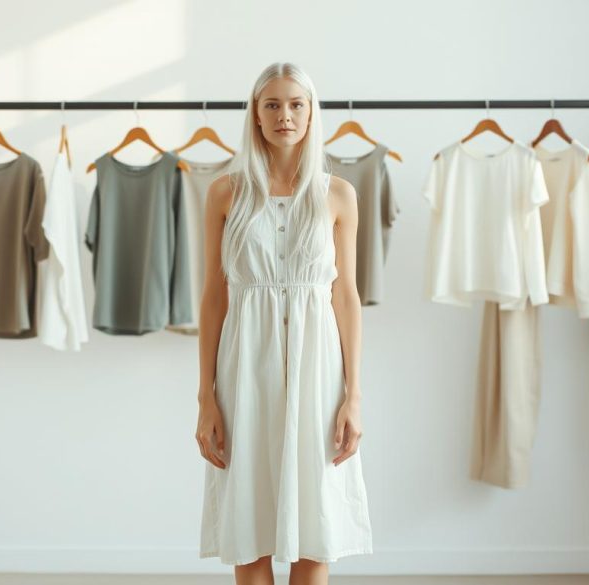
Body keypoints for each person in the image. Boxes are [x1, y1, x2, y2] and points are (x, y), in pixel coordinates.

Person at [196, 62, 373, 585]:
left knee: (314, 527)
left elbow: (346, 295)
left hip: (319, 373)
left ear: (312, 112)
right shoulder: (225, 194)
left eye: (296, 104)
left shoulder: (337, 194)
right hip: (244, 369)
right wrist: (206, 396)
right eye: (272, 104)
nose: (284, 115)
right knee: (247, 530)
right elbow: (213, 297)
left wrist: (353, 394)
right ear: (255, 114)